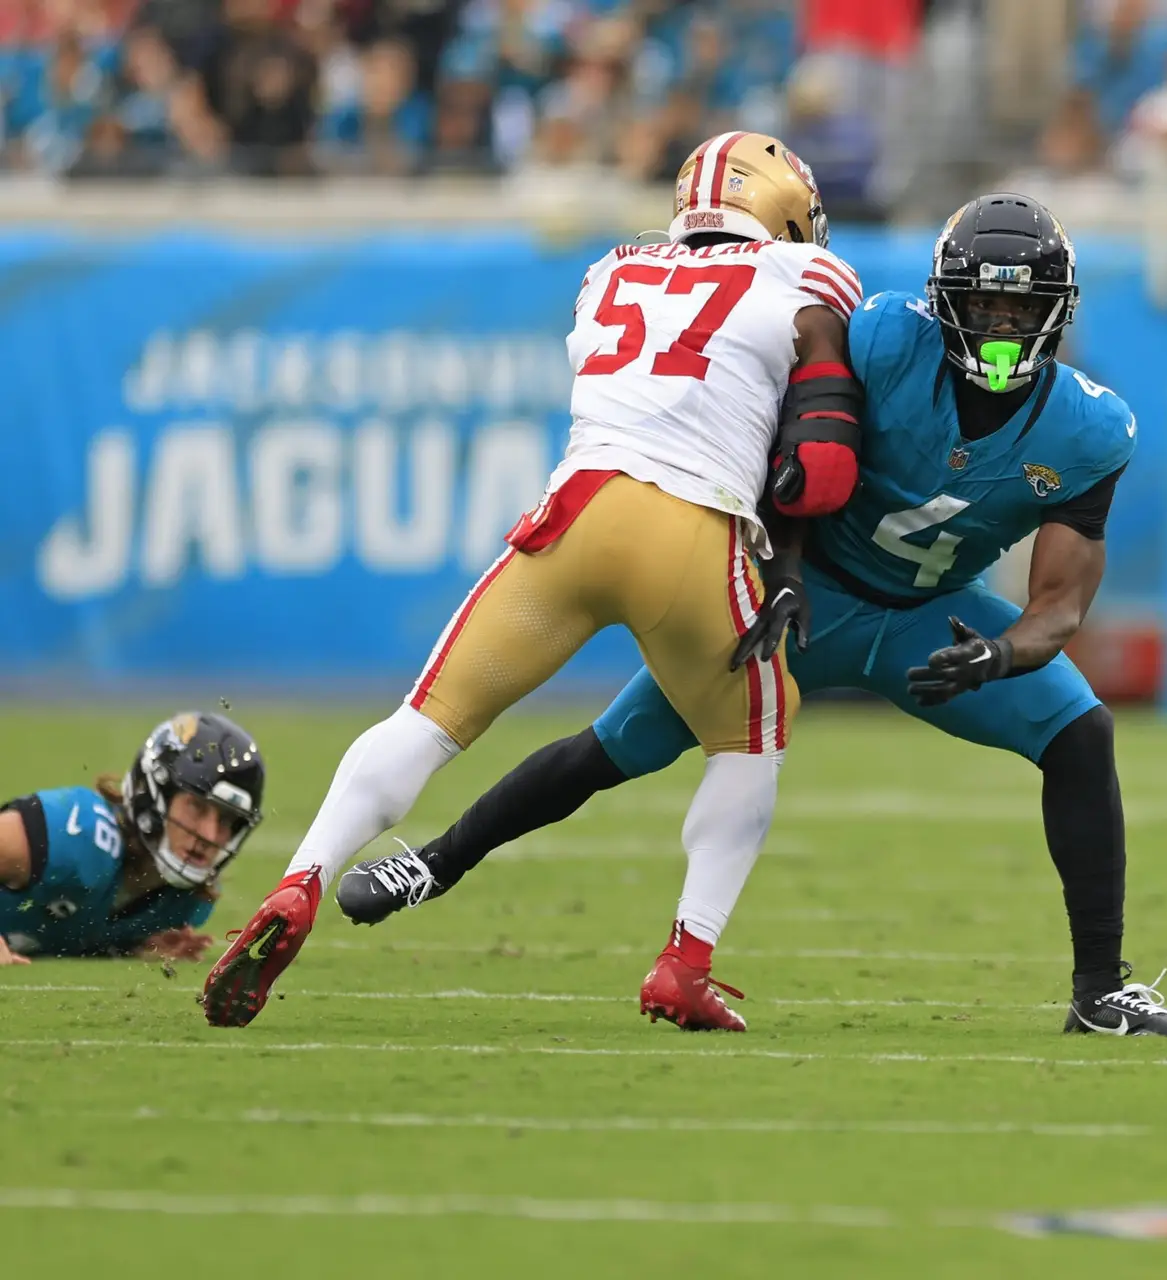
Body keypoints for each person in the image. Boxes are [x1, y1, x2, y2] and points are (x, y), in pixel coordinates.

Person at [338, 193, 1167, 1039]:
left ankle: (1099, 992)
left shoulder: (1089, 428)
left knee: (1080, 733)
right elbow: (797, 445)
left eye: (1023, 304)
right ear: (945, 304)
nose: (1003, 322)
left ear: (1059, 312)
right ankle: (433, 864)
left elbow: (1060, 605)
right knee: (614, 747)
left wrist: (1003, 655)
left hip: (931, 619)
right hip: (804, 598)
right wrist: (777, 568)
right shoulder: (883, 339)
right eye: (984, 301)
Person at [202, 131, 864, 1029]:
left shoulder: (607, 274)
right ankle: (685, 963)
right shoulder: (807, 278)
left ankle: (300, 880)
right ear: (782, 209)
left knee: (427, 721)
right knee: (752, 740)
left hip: (570, 516)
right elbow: (819, 433)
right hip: (689, 528)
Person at [0, 713, 265, 964]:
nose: (209, 834)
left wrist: (132, 946)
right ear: (153, 795)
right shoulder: (77, 834)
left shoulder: (183, 906)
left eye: (227, 820)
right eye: (197, 806)